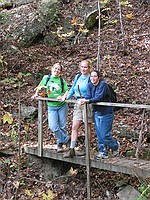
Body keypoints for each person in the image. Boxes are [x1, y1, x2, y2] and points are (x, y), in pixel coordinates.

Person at [78, 70, 120, 159]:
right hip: (97, 112)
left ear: (99, 77)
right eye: (91, 76)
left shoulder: (103, 85)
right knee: (99, 134)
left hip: (106, 112)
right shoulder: (89, 85)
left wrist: (88, 100)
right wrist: (85, 100)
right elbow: (89, 96)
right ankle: (103, 151)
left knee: (105, 134)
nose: (92, 78)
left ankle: (115, 146)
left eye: (95, 76)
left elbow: (99, 97)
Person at [31, 63, 70, 152]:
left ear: (60, 72)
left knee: (62, 126)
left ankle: (60, 145)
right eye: (55, 68)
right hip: (51, 105)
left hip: (62, 105)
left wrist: (63, 96)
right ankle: (67, 140)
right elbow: (40, 87)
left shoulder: (61, 80)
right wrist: (36, 94)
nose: (56, 70)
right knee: (53, 126)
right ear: (52, 69)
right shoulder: (46, 78)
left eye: (59, 69)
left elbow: (67, 91)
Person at [63, 60, 93, 158]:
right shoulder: (78, 77)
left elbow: (92, 91)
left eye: (86, 67)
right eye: (82, 67)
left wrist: (87, 99)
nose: (84, 69)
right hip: (77, 103)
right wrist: (67, 97)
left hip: (86, 104)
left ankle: (86, 148)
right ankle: (72, 149)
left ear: (89, 68)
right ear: (80, 67)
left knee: (87, 126)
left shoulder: (91, 78)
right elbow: (73, 88)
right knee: (74, 126)